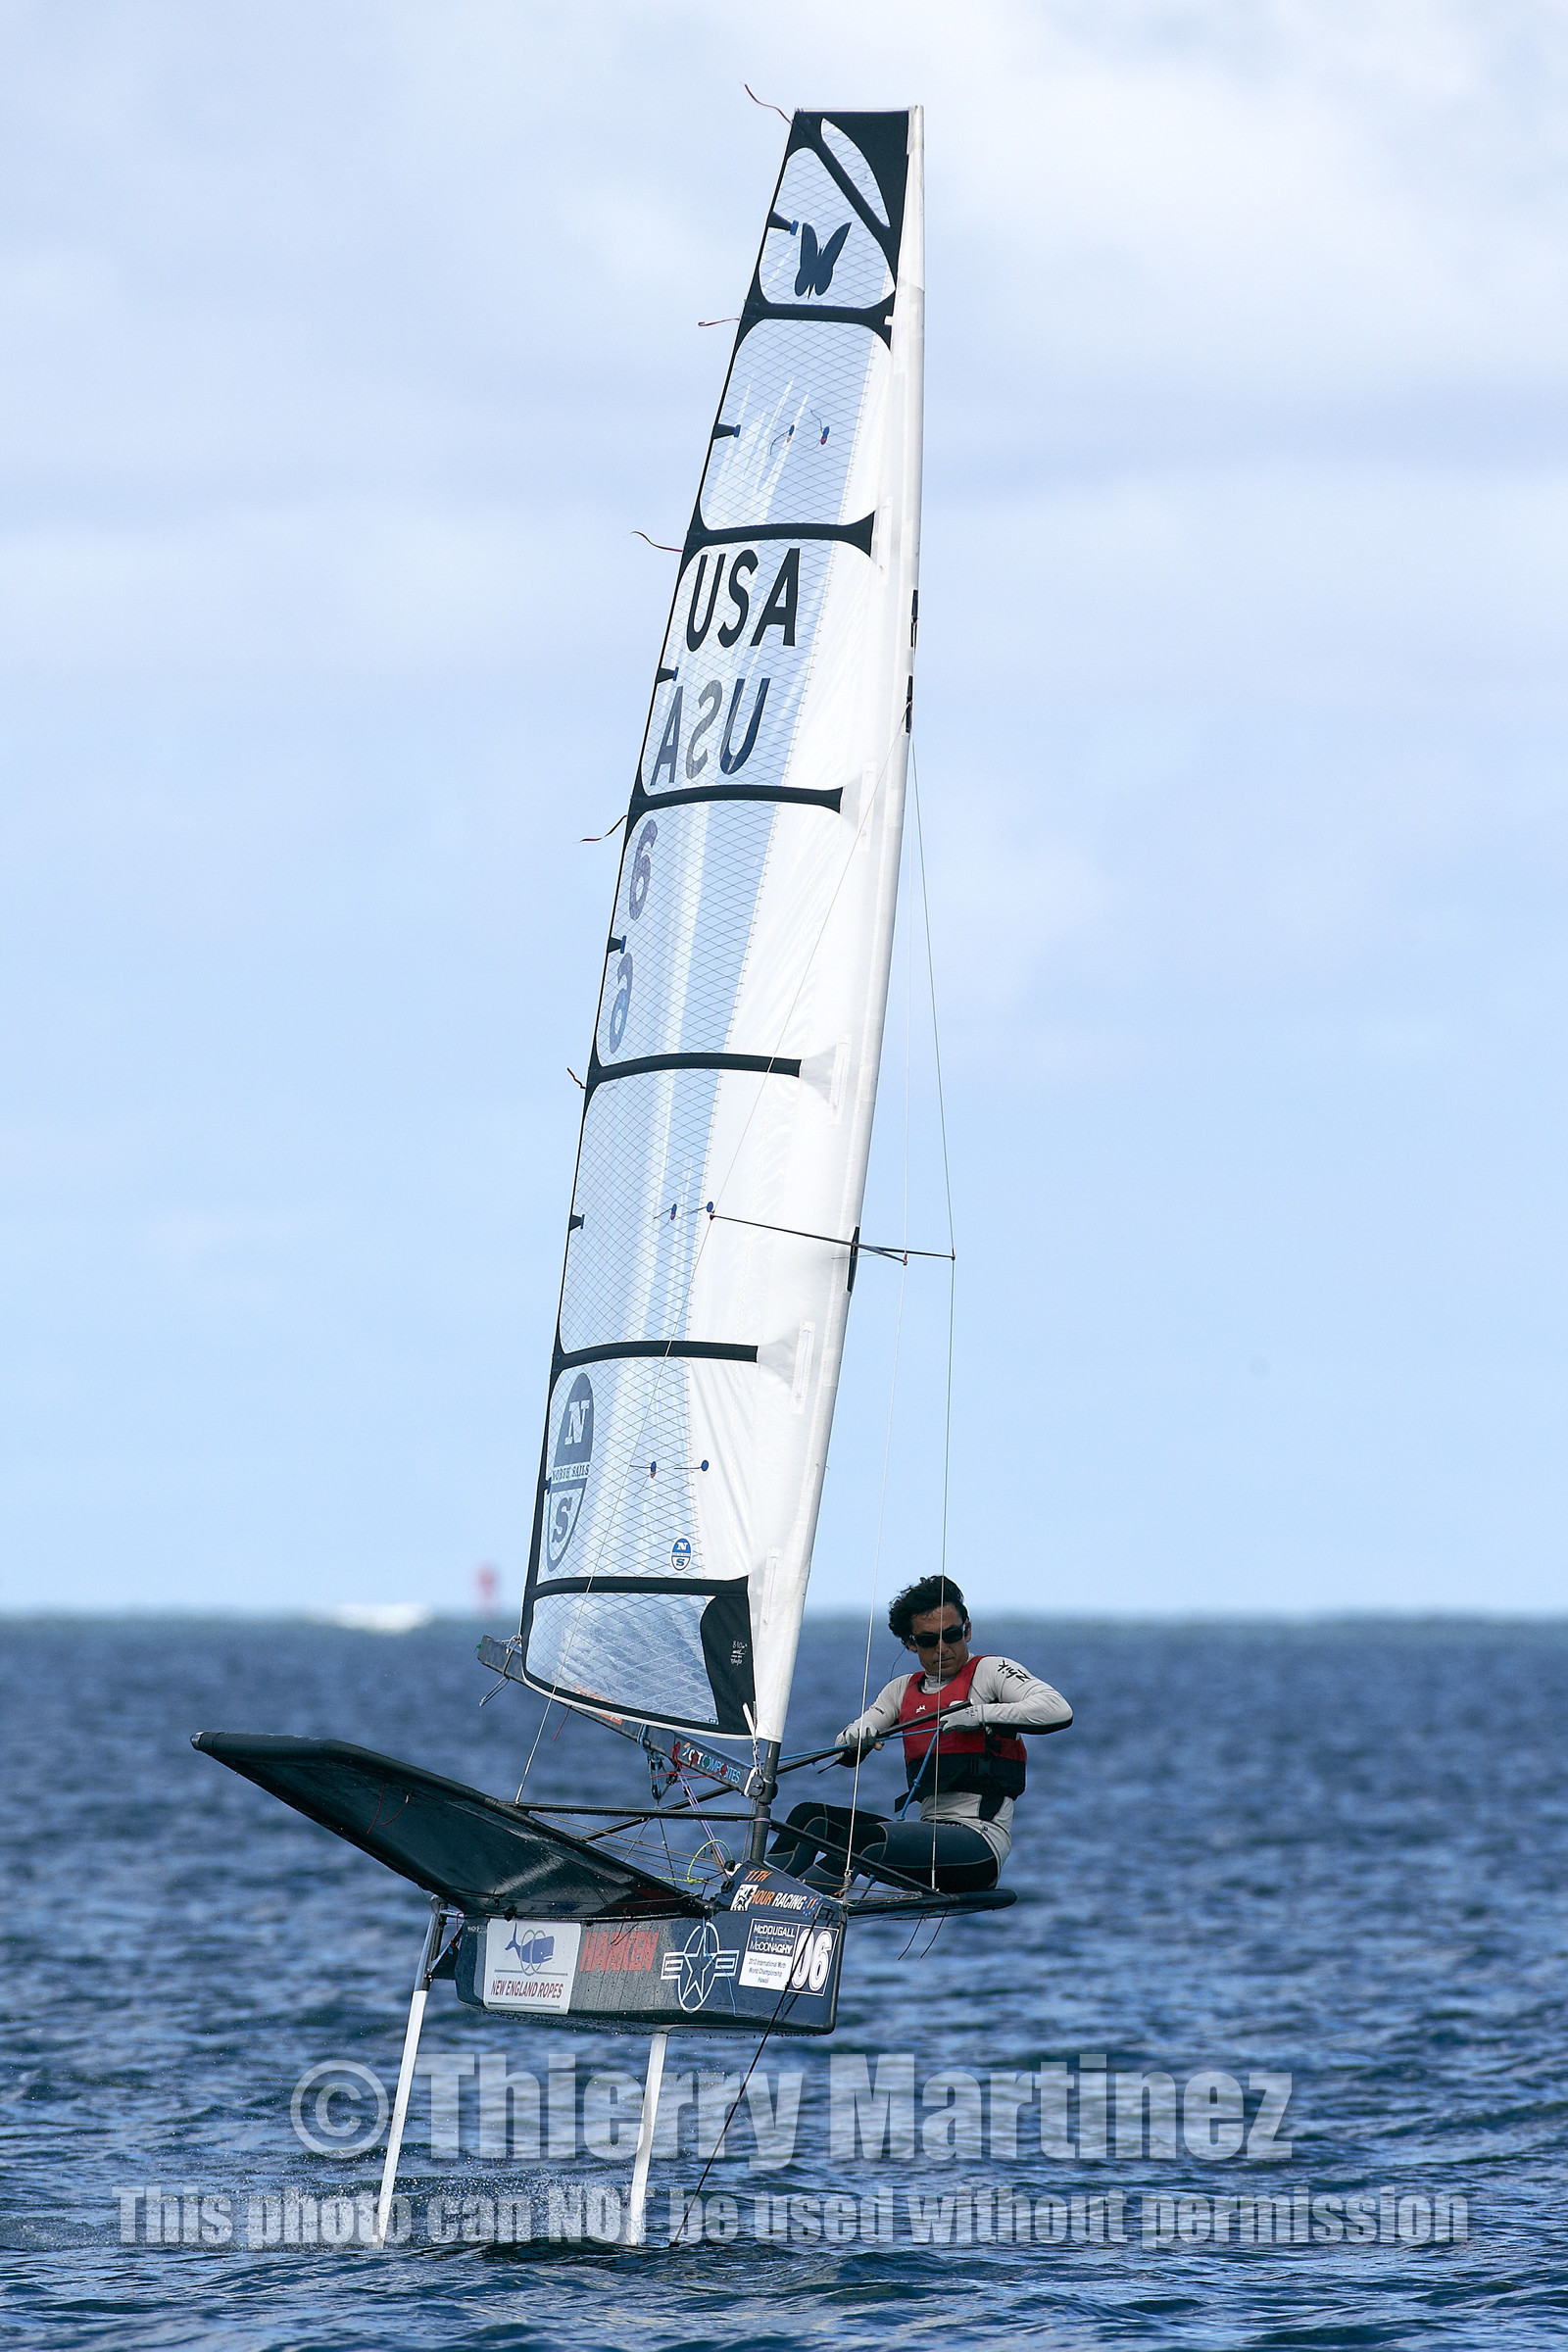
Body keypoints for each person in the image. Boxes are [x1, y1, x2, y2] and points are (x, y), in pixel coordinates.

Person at [766, 1576, 1072, 1894]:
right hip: (927, 1842)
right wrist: (856, 1736)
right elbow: (853, 1737)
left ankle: (792, 1906)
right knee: (808, 1818)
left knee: (862, 1842)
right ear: (910, 1643)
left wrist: (977, 1715)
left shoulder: (991, 1672)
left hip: (978, 1850)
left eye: (951, 1635)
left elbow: (1057, 1709)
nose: (942, 1649)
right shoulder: (900, 1690)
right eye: (928, 1641)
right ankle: (752, 1895)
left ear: (967, 1630)